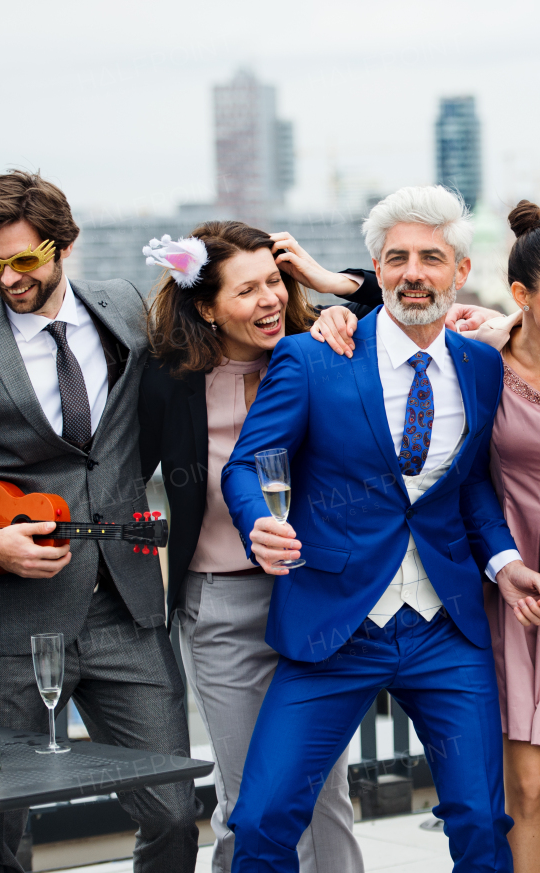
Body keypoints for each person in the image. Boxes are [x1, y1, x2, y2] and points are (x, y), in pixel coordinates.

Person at [313, 201, 540, 873]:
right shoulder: (480, 359)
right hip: (503, 585)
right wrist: (334, 305)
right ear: (523, 297)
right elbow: (401, 318)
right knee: (523, 788)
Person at [220, 185, 540, 873]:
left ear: (460, 272)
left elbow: (467, 486)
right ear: (376, 269)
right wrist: (259, 521)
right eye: (397, 257)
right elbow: (247, 467)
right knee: (260, 820)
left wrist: (502, 561)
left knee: (481, 822)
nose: (414, 273)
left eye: (431, 258)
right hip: (332, 625)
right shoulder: (311, 357)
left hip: (445, 627)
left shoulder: (480, 365)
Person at [0, 170, 201, 872]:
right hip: (10, 624)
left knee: (175, 811)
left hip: (127, 608)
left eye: (25, 260)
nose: (7, 278)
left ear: (65, 246)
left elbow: (218, 322)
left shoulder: (123, 307)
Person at [138, 221, 366, 873]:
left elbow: (409, 315)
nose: (268, 299)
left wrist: (332, 284)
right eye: (246, 290)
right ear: (206, 306)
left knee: (326, 794)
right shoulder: (168, 378)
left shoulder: (323, 346)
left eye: (275, 281)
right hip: (221, 608)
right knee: (250, 800)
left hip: (313, 595)